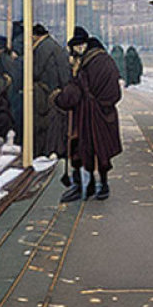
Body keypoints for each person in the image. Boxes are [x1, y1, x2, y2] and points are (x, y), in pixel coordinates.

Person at [54, 27, 122, 202]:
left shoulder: (84, 65)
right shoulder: (107, 60)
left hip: (86, 114)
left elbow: (73, 94)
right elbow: (116, 92)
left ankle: (87, 183)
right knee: (103, 149)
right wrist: (104, 105)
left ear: (81, 46)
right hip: (106, 114)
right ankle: (103, 184)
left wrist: (57, 98)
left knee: (83, 147)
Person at [33, 25, 72, 159]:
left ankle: (48, 151)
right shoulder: (53, 45)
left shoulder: (43, 47)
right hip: (56, 90)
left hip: (48, 92)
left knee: (48, 125)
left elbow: (36, 71)